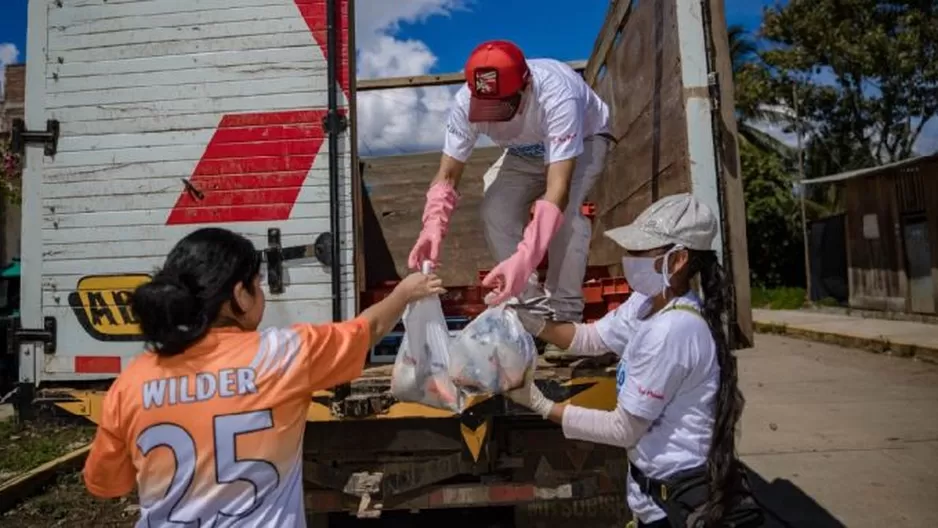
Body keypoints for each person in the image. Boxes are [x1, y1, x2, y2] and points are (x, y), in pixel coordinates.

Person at [82, 227, 445, 527]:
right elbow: (370, 327)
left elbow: (106, 484)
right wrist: (404, 293)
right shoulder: (284, 355)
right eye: (257, 284)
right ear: (239, 295)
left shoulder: (131, 382)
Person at [506, 194, 763, 528]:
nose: (630, 258)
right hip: (653, 496)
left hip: (676, 504)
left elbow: (623, 429)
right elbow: (592, 338)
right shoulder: (646, 303)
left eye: (642, 251)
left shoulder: (673, 329)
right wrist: (534, 322)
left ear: (678, 259)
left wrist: (540, 405)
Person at [407, 39, 613, 341]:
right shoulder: (465, 102)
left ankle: (564, 317)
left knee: (567, 217)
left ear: (526, 87)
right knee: (495, 209)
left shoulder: (557, 95)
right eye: (484, 107)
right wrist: (432, 225)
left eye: (501, 106)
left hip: (583, 144)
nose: (490, 116)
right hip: (523, 153)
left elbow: (557, 188)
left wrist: (526, 255)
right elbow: (448, 173)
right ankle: (533, 313)